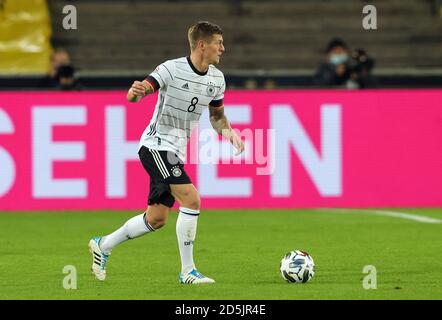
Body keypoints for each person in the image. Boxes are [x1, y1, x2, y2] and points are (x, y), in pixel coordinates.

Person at [88, 21, 244, 284]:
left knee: (157, 218)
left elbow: (217, 116)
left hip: (175, 152)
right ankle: (188, 272)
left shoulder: (217, 79)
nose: (223, 48)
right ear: (202, 45)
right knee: (192, 200)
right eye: (219, 42)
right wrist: (134, 93)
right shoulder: (172, 68)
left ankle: (103, 245)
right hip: (156, 145)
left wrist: (229, 132)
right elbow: (141, 91)